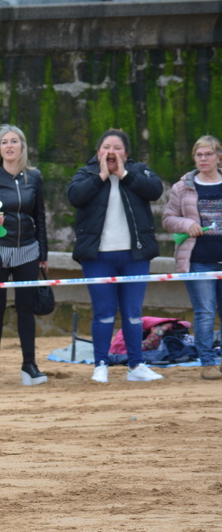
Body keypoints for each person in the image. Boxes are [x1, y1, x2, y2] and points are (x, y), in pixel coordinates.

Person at [67, 128, 165, 383]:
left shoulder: (138, 171)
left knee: (133, 313)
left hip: (135, 256)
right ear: (98, 152)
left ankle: (136, 365)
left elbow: (155, 190)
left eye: (117, 148)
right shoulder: (86, 173)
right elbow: (74, 196)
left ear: (126, 153)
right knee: (103, 313)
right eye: (106, 147)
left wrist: (124, 175)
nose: (111, 152)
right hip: (97, 257)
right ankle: (101, 364)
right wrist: (101, 177)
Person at [0, 124, 49, 387]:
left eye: (14, 141)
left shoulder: (34, 177)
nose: (9, 146)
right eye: (4, 142)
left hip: (28, 250)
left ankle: (30, 366)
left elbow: (39, 216)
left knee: (26, 308)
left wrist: (43, 253)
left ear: (22, 146)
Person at [162, 135, 222, 380]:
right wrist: (187, 225)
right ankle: (207, 362)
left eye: (208, 154)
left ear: (219, 157)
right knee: (205, 312)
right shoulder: (182, 187)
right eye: (199, 155)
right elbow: (167, 219)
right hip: (198, 260)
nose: (203, 159)